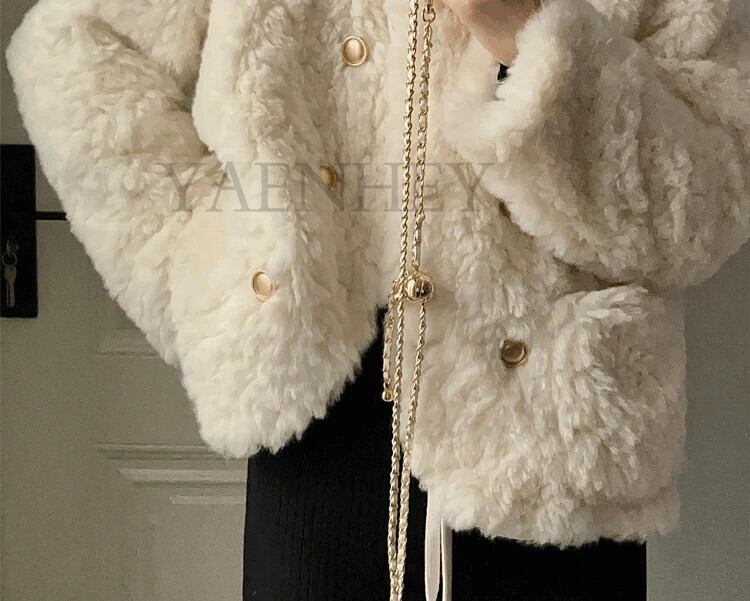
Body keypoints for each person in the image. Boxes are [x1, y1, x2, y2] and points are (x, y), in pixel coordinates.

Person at [7, 1, 750, 599]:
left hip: (560, 450)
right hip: (319, 427)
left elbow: (698, 215)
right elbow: (78, 54)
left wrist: (524, 36)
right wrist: (212, 273)